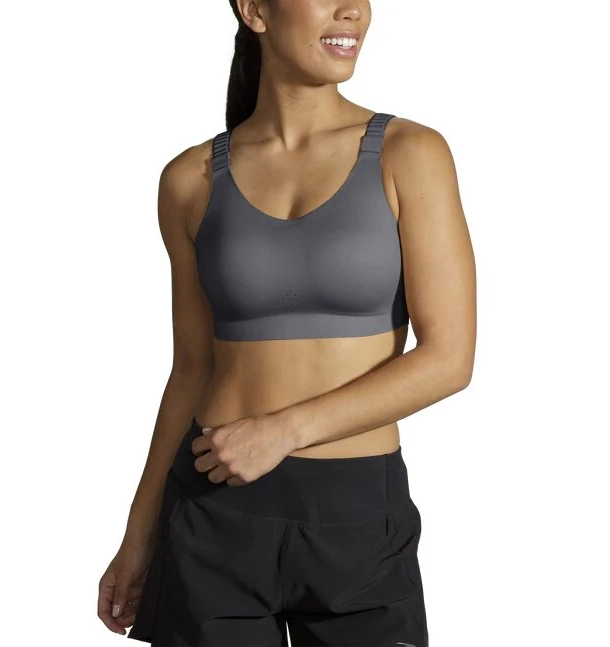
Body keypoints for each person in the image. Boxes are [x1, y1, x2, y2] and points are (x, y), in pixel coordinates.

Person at [97, 0, 476, 645]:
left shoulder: (410, 153)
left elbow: (449, 360)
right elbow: (191, 370)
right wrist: (138, 534)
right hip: (212, 513)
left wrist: (282, 432)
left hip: (359, 518)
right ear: (254, 10)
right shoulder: (190, 179)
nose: (353, 11)